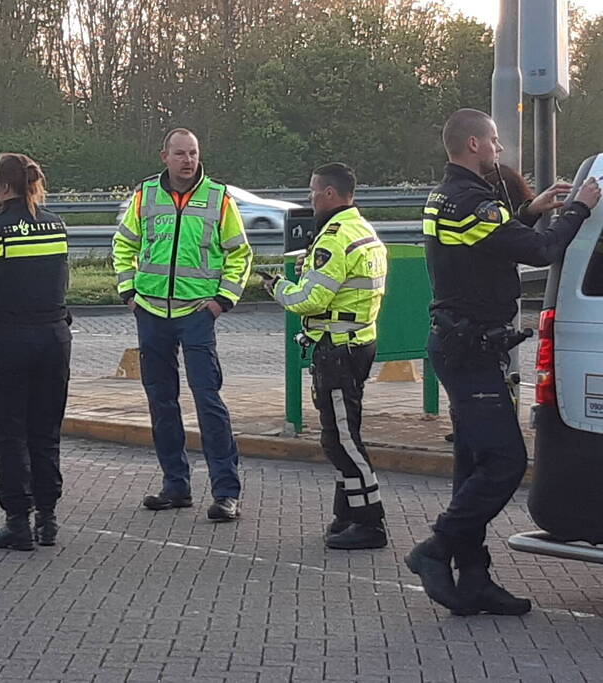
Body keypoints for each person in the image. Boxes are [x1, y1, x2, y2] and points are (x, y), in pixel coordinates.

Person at [406, 108, 601, 615]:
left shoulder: (447, 197)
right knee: (506, 461)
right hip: (470, 350)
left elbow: (485, 246)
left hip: (463, 345)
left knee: (473, 462)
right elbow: (541, 253)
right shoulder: (474, 201)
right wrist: (579, 207)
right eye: (493, 141)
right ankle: (436, 548)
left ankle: (473, 578)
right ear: (473, 144)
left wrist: (531, 208)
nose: (498, 149)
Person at [112, 128, 252, 522]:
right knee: (161, 402)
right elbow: (124, 244)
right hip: (152, 313)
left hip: (196, 315)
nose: (187, 160)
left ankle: (226, 492)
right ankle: (176, 484)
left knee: (208, 402)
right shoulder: (145, 195)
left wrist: (223, 300)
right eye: (179, 154)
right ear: (164, 157)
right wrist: (128, 292)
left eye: (192, 153)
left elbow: (239, 253)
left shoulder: (219, 198)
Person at [263, 163, 389, 549]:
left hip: (337, 350)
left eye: (313, 191)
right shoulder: (361, 229)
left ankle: (370, 523)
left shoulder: (334, 237)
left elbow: (309, 299)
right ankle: (347, 512)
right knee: (340, 432)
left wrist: (277, 286)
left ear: (330, 194)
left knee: (342, 440)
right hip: (358, 343)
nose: (310, 198)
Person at [0, 153, 71, 551]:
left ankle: (17, 521)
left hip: (7, 341)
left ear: (2, 186)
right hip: (54, 340)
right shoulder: (55, 225)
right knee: (45, 431)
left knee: (8, 433)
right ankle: (49, 519)